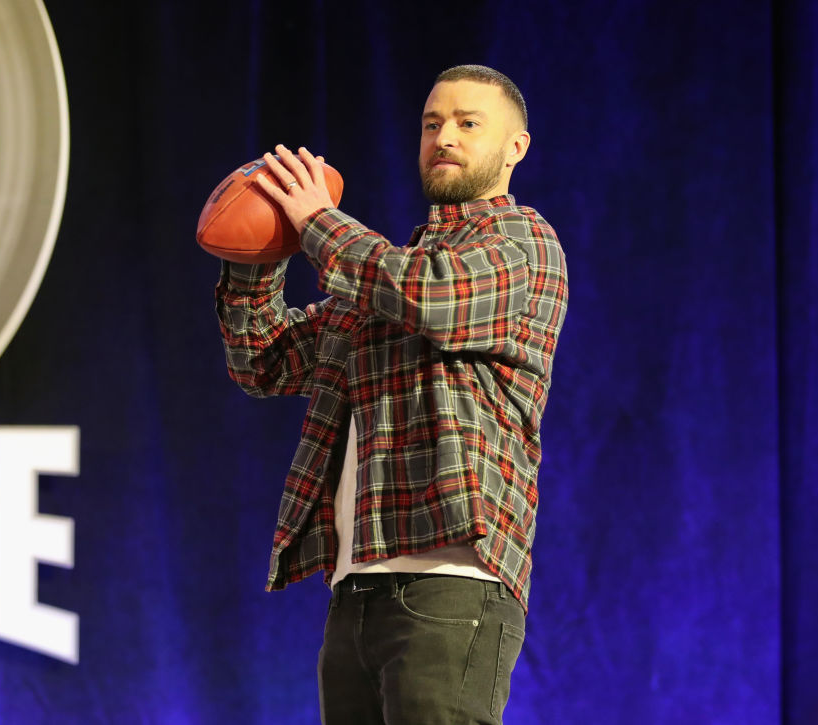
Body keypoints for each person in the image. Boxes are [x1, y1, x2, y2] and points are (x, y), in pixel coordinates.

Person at [215, 64, 568, 724]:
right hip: (356, 594)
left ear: (515, 146)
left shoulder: (523, 241)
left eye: (468, 123)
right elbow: (261, 360)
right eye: (433, 123)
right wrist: (257, 250)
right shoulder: (378, 281)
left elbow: (434, 297)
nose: (445, 137)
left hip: (453, 588)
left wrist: (317, 220)